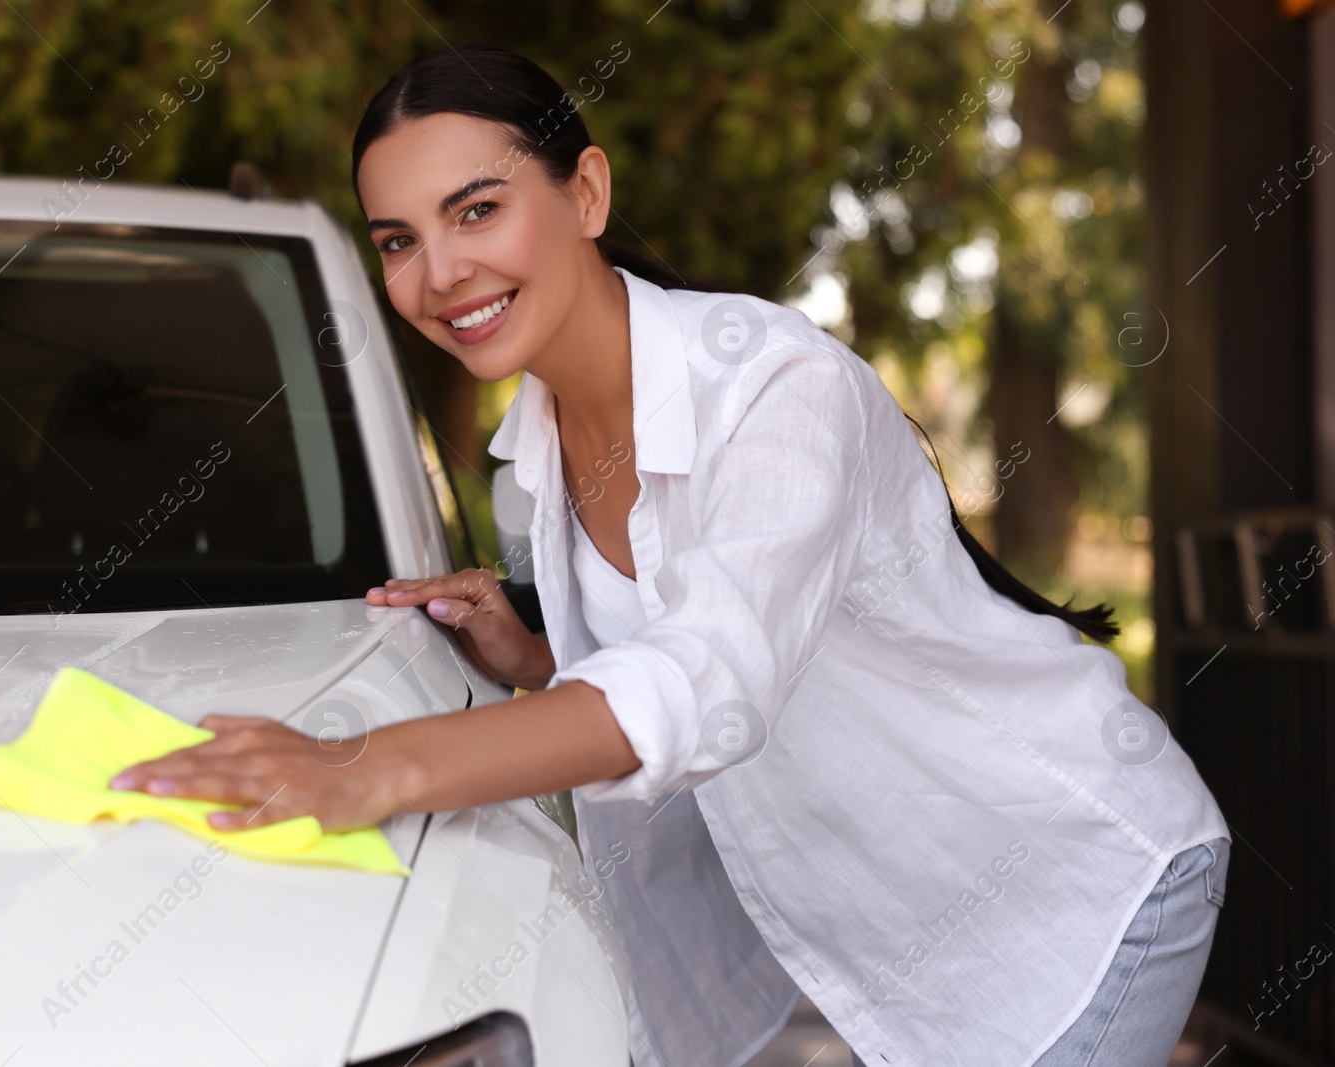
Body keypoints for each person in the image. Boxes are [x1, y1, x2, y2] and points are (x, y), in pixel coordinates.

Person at [110, 45, 1232, 1067]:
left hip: (1068, 880)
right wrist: (544, 655)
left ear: (585, 193)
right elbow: (663, 655)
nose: (439, 271)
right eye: (400, 240)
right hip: (901, 923)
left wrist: (363, 766)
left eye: (478, 209)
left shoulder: (773, 390)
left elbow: (711, 675)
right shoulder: (536, 448)